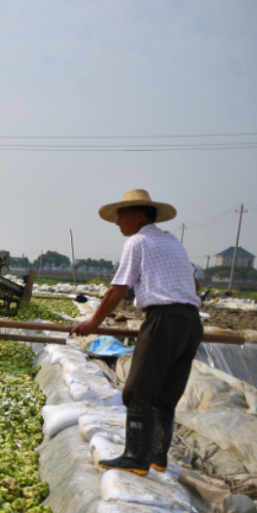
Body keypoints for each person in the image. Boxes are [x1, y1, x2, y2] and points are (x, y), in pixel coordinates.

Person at [70, 189, 202, 475]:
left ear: (139, 216)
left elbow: (117, 289)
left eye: (121, 215)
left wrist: (93, 323)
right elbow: (195, 286)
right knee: (167, 392)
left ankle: (135, 457)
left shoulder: (138, 242)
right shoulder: (172, 242)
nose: (118, 222)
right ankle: (158, 457)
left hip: (164, 319)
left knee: (137, 390)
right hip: (191, 322)